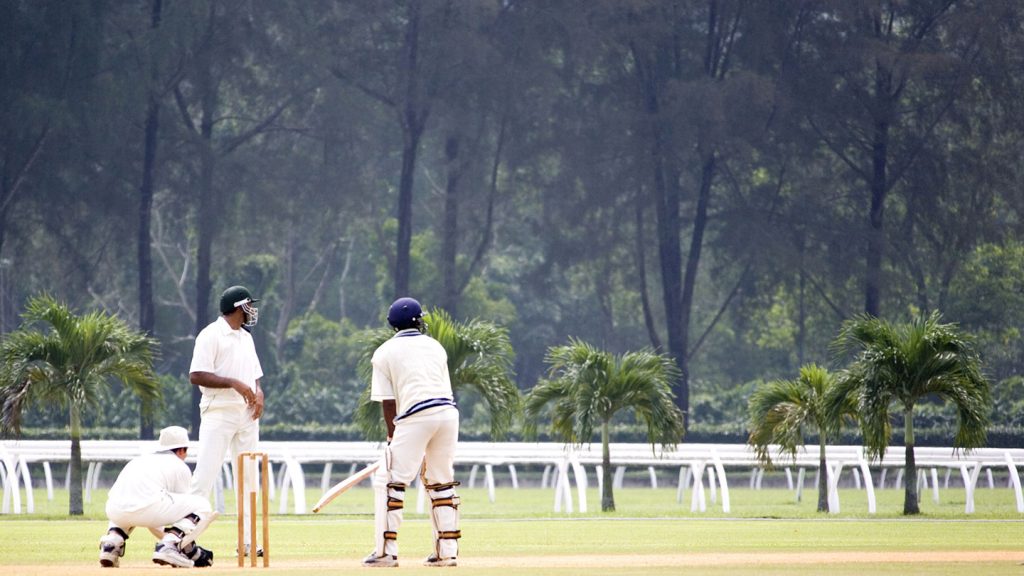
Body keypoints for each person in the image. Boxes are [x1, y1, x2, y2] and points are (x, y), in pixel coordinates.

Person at [363, 297, 461, 568]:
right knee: (440, 482)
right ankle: (447, 552)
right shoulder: (436, 346)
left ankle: (385, 552)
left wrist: (392, 437)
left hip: (416, 415)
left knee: (390, 481)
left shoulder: (384, 352)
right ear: (419, 320)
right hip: (448, 414)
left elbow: (389, 402)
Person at [187, 285, 265, 558]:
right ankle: (181, 538)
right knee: (205, 476)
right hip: (218, 411)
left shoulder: (246, 337)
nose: (252, 311)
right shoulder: (210, 335)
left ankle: (248, 541)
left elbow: (254, 374)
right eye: (249, 306)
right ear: (238, 307)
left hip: (246, 414)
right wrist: (232, 383)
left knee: (248, 477)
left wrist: (259, 393)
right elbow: (196, 375)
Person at [98, 426, 216, 568]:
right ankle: (170, 545)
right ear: (181, 450)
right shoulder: (179, 466)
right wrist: (190, 550)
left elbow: (155, 519)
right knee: (202, 505)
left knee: (128, 501)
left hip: (114, 511)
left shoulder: (139, 460)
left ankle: (111, 543)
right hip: (148, 508)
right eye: (186, 451)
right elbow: (179, 517)